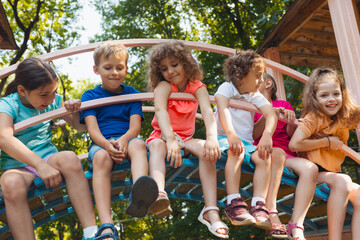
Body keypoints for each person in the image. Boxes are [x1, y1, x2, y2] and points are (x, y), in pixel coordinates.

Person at [0, 58, 98, 240]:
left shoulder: (53, 101)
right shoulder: (7, 105)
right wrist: (39, 166)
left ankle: (92, 233)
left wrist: (73, 110)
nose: (51, 99)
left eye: (54, 92)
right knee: (10, 183)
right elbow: (4, 138)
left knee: (69, 157)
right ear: (22, 90)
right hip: (18, 166)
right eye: (44, 94)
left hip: (47, 158)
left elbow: (80, 127)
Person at [146, 40, 229, 239]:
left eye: (175, 64)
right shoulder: (164, 86)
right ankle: (158, 193)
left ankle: (211, 210)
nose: (170, 71)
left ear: (186, 63)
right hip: (162, 135)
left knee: (208, 152)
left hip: (186, 137)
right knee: (157, 146)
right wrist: (170, 140)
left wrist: (211, 138)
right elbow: (160, 111)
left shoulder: (197, 87)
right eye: (164, 68)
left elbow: (208, 112)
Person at [80, 41, 158, 240]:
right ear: (96, 69)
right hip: (101, 142)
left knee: (140, 144)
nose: (114, 72)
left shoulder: (132, 94)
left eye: (119, 67)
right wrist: (107, 145)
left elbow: (135, 128)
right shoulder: (90, 96)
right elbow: (92, 131)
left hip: (128, 138)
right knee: (100, 159)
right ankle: (106, 225)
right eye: (108, 68)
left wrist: (123, 140)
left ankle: (139, 191)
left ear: (126, 68)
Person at [289, 67, 360, 240]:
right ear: (314, 97)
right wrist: (327, 141)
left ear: (343, 93)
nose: (331, 100)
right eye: (324, 95)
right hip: (313, 172)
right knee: (343, 180)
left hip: (331, 172)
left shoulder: (345, 116)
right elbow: (294, 144)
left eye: (336, 94)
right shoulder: (314, 117)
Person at [214, 49, 277, 232]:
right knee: (237, 150)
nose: (261, 80)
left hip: (247, 143)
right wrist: (231, 134)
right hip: (225, 138)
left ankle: (258, 205)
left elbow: (270, 114)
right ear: (240, 75)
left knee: (264, 156)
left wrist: (267, 135)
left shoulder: (254, 95)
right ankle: (233, 201)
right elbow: (223, 107)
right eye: (257, 75)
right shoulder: (227, 88)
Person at [253, 73, 318, 239]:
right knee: (277, 153)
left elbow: (291, 137)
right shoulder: (251, 106)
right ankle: (271, 209)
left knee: (311, 168)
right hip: (264, 153)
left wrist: (290, 121)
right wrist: (269, 115)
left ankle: (296, 224)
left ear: (268, 83)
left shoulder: (283, 104)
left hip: (286, 154)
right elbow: (253, 134)